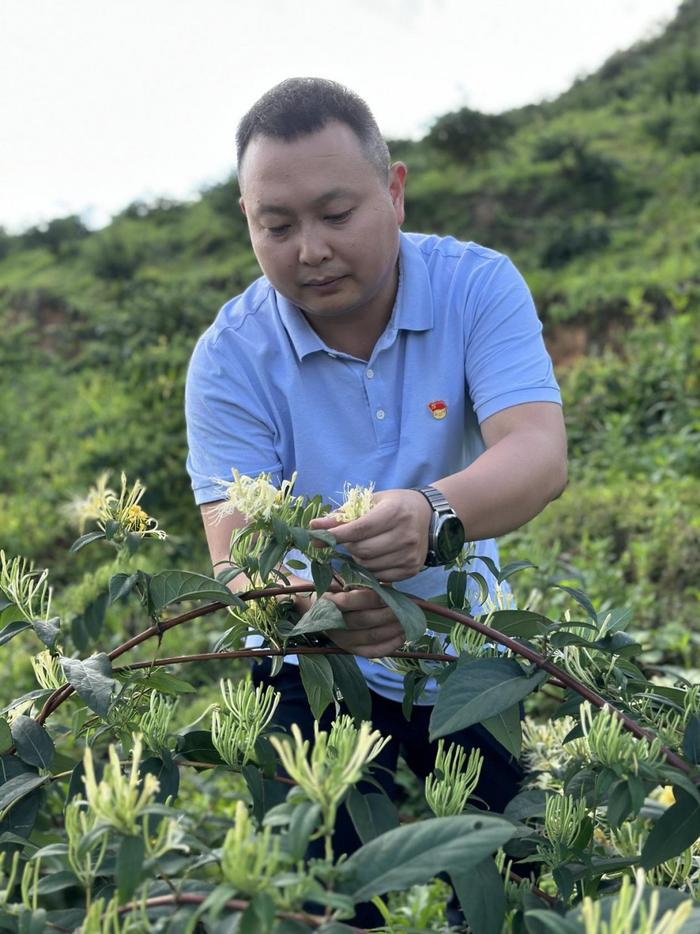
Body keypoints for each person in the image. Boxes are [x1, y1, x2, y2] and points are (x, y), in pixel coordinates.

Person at [185, 75, 566, 850]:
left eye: (335, 214)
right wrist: (307, 608)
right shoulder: (229, 357)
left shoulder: (476, 286)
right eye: (277, 224)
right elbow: (234, 556)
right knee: (317, 889)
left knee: (507, 871)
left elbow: (536, 451)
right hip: (307, 663)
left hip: (463, 646)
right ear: (246, 222)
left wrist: (435, 515)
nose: (310, 250)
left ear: (393, 193)